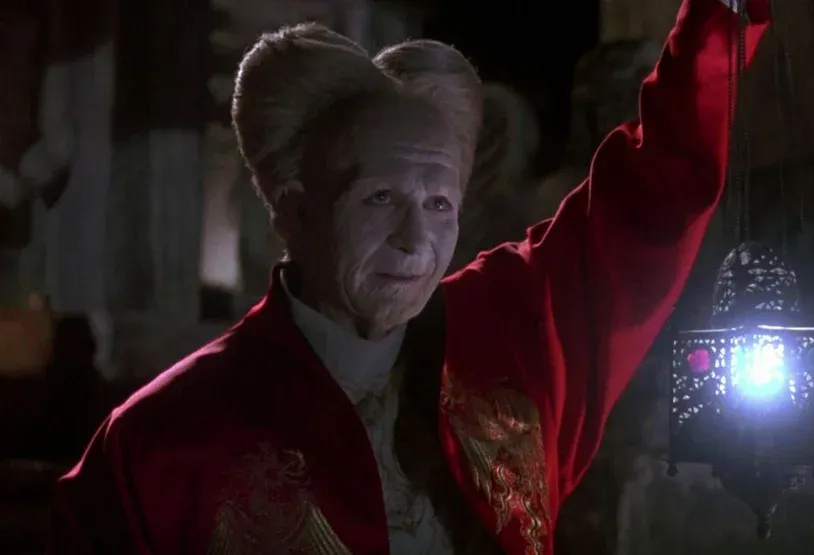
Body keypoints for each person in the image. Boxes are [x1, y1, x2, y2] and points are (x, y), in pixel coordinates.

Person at [47, 0, 770, 553]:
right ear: (293, 210)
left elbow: (651, 193)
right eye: (379, 199)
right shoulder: (162, 442)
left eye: (439, 203)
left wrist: (719, 17)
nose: (416, 240)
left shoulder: (510, 333)